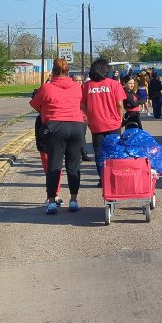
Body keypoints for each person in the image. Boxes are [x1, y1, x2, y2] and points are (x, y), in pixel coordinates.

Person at [29, 58, 86, 214]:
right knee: (73, 165)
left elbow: (34, 105)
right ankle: (74, 200)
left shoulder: (47, 88)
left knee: (54, 165)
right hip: (76, 126)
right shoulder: (76, 87)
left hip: (56, 127)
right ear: (68, 72)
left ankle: (52, 201)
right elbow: (81, 104)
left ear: (53, 72)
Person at [81, 58, 126, 179]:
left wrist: (89, 117)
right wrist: (120, 117)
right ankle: (115, 177)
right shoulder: (114, 84)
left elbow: (83, 105)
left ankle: (103, 178)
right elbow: (120, 104)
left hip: (96, 124)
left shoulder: (86, 86)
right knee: (114, 150)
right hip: (113, 123)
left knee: (99, 152)